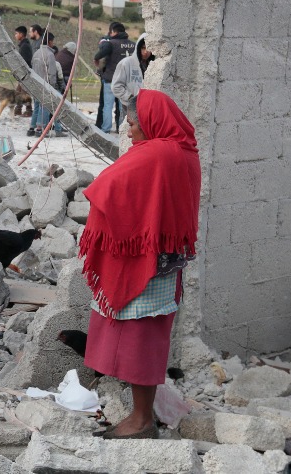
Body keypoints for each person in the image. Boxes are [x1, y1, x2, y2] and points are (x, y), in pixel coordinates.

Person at [79, 90, 201, 439]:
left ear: (150, 122)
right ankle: (140, 415)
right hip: (167, 261)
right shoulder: (184, 149)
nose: (129, 130)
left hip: (146, 263)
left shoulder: (157, 153)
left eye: (132, 123)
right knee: (147, 338)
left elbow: (106, 186)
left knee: (139, 339)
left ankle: (142, 419)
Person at [93, 22, 136, 133]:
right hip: (127, 81)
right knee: (123, 107)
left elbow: (98, 55)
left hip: (110, 80)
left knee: (107, 106)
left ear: (114, 31)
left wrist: (96, 61)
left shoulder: (111, 43)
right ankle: (122, 129)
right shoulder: (133, 44)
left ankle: (105, 129)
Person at [30, 32, 64, 137]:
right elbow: (52, 73)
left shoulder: (36, 53)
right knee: (44, 107)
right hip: (46, 85)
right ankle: (41, 129)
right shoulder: (50, 55)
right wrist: (52, 87)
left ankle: (33, 127)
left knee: (37, 107)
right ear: (50, 42)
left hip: (36, 84)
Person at [112, 34, 154, 109]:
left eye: (148, 49)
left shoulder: (154, 66)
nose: (145, 52)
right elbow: (116, 87)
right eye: (143, 48)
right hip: (128, 106)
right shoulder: (126, 63)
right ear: (138, 47)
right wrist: (131, 98)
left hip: (147, 107)